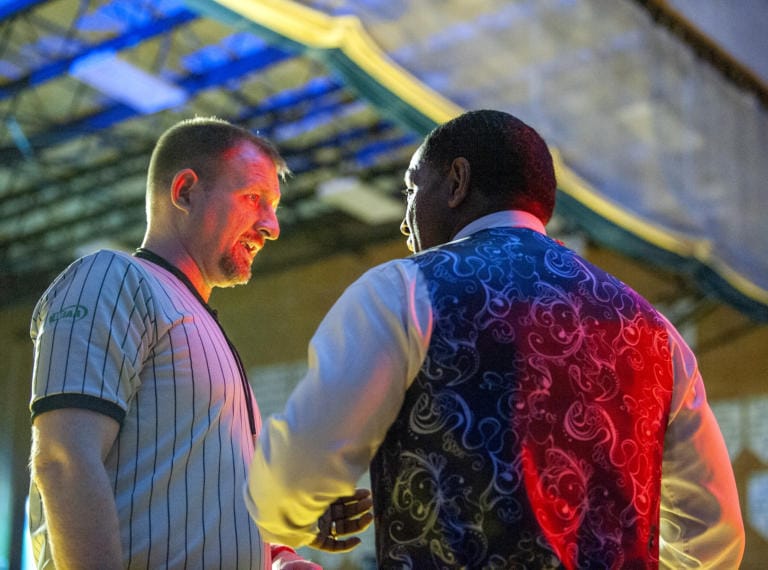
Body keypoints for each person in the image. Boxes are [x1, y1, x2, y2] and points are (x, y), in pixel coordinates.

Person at [245, 110, 745, 568]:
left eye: (412, 190)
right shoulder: (655, 331)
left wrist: (296, 521)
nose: (404, 220)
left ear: (457, 181)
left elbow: (293, 475)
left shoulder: (404, 290)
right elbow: (715, 540)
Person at [28, 116, 371, 569]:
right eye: (254, 199)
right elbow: (62, 459)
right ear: (185, 191)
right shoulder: (111, 277)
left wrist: (283, 547)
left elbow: (190, 501)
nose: (272, 226)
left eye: (274, 207)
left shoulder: (199, 326)